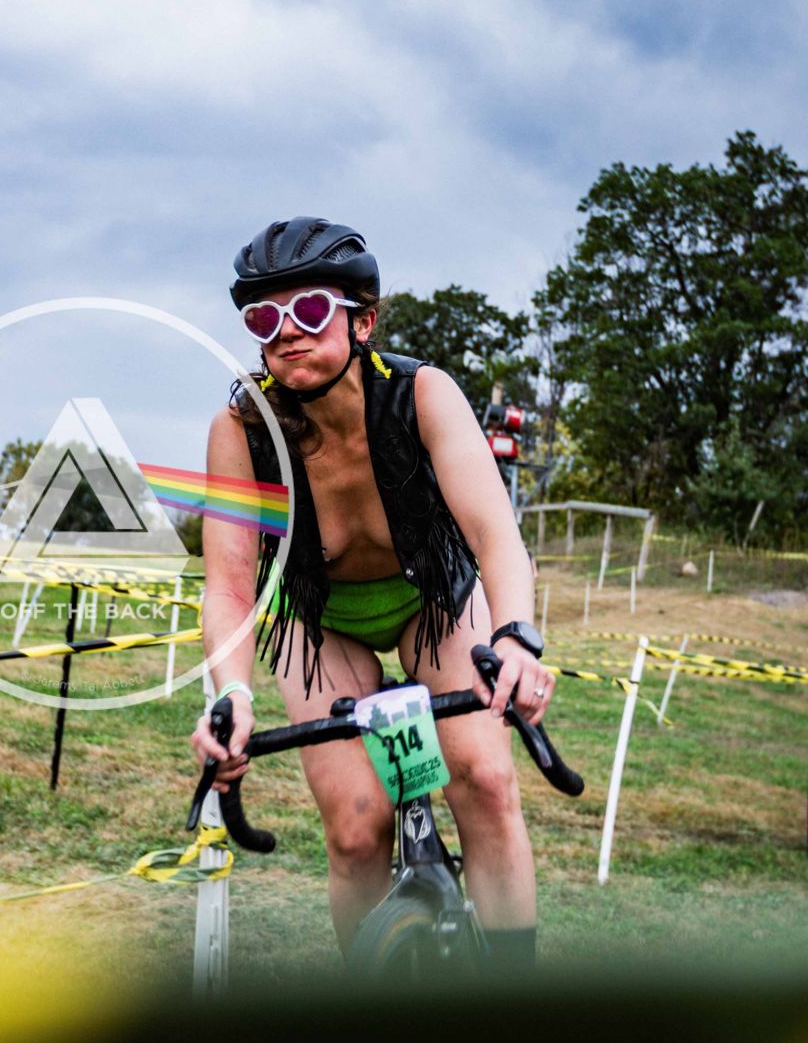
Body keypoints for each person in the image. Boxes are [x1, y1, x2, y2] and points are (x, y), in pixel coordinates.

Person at [191, 217, 555, 972]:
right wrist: (232, 696)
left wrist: (516, 637)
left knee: (486, 781)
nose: (287, 333)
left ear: (363, 321)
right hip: (320, 619)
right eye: (264, 319)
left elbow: (496, 537)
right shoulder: (241, 429)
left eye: (309, 310)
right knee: (358, 829)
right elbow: (228, 587)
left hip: (432, 600)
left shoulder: (423, 394)